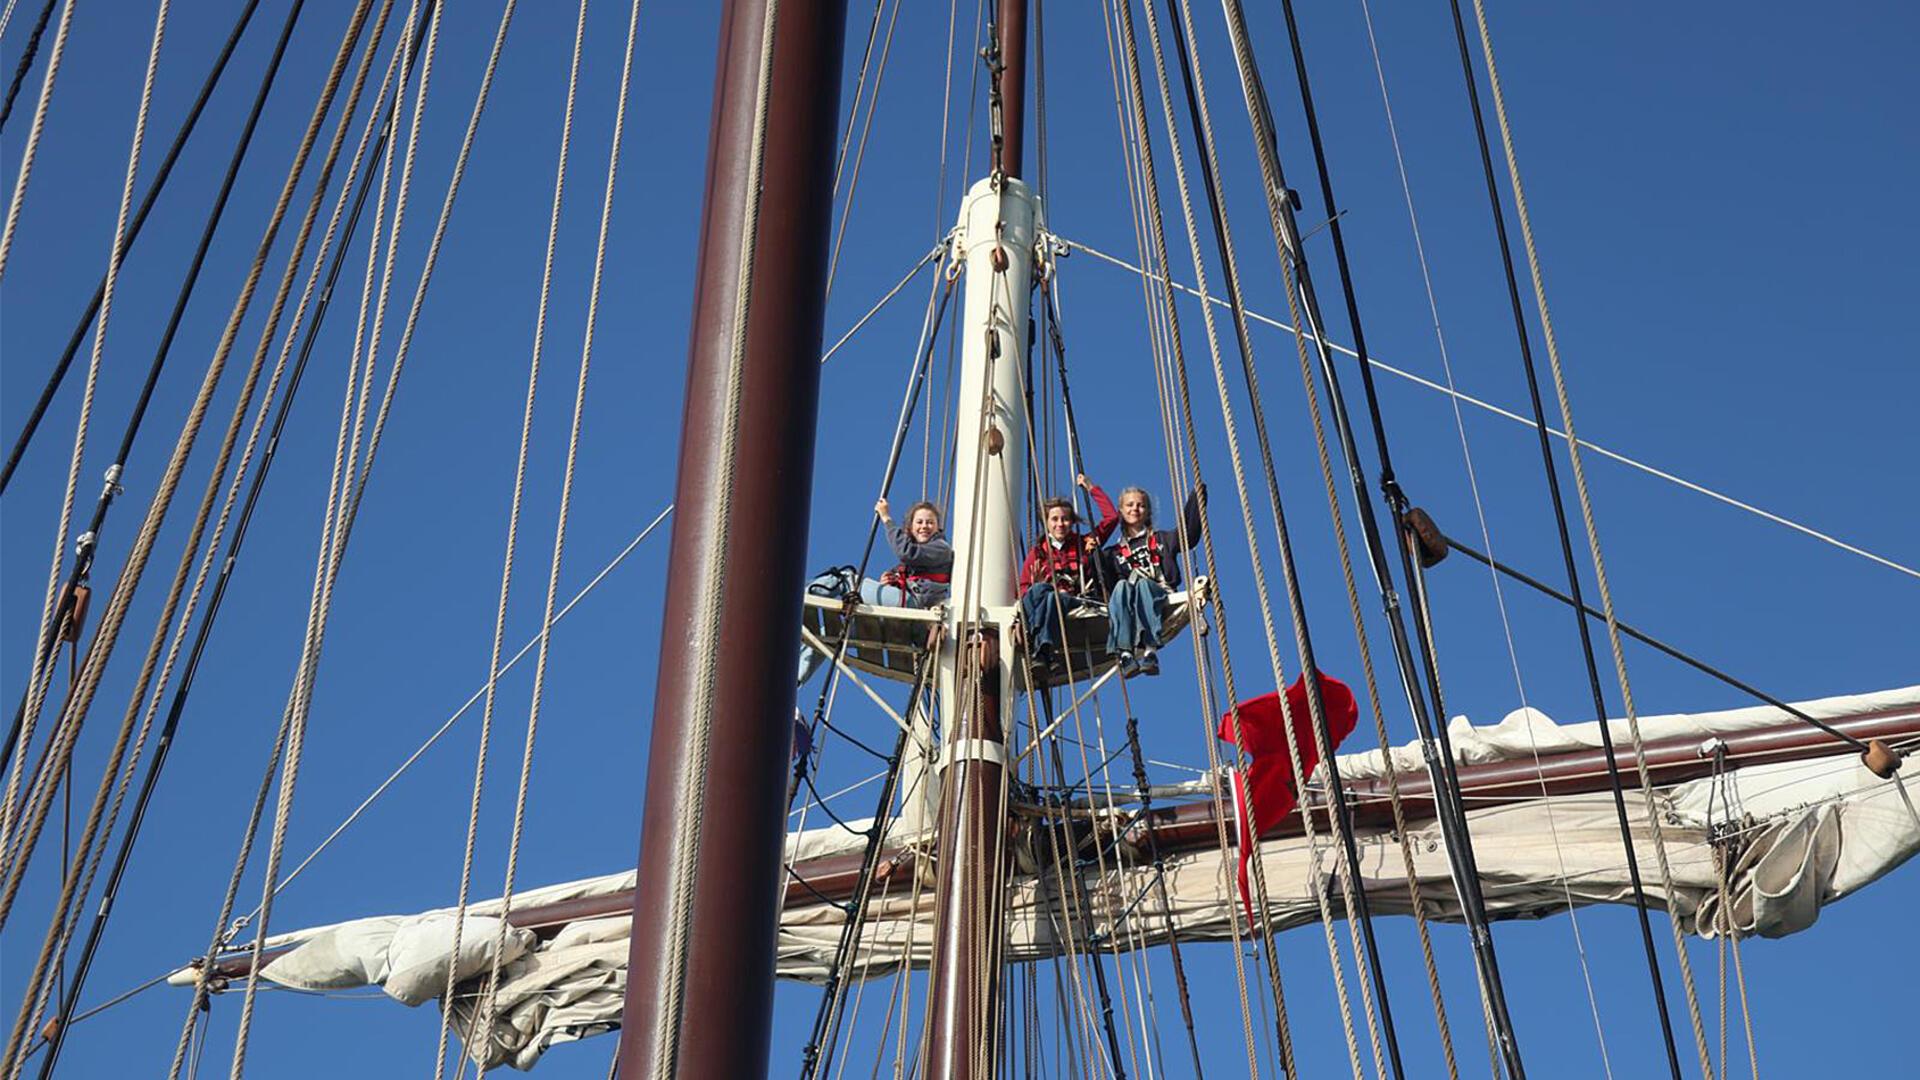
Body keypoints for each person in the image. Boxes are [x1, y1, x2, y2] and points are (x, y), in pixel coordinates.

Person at [796, 498, 952, 686]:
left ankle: (796, 596)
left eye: (930, 522)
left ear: (937, 528)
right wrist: (889, 582)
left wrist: (886, 518)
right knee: (830, 634)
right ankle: (794, 681)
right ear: (911, 528)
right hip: (905, 615)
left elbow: (906, 552)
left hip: (915, 610)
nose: (924, 526)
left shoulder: (941, 549)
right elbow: (906, 566)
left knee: (847, 579)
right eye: (919, 522)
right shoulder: (914, 563)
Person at [1101, 482, 1205, 676]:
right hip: (1130, 599)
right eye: (1129, 505)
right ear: (1121, 511)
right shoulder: (1111, 555)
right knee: (1121, 586)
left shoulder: (1163, 539)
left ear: (1148, 511)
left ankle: (1150, 651)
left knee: (1143, 585)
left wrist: (1196, 499)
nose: (1135, 509)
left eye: (1140, 505)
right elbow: (1101, 579)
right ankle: (1125, 653)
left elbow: (1188, 535)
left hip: (1158, 592)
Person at [1016, 475, 1118, 668]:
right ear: (1046, 523)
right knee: (1039, 592)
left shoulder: (1084, 544)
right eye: (1054, 519)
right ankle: (1037, 641)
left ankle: (1042, 646)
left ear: (1072, 522)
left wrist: (1091, 488)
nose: (1060, 524)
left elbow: (1112, 518)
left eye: (1065, 519)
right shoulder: (1038, 553)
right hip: (1041, 600)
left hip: (1074, 599)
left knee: (1054, 598)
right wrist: (1035, 585)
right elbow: (1022, 589)